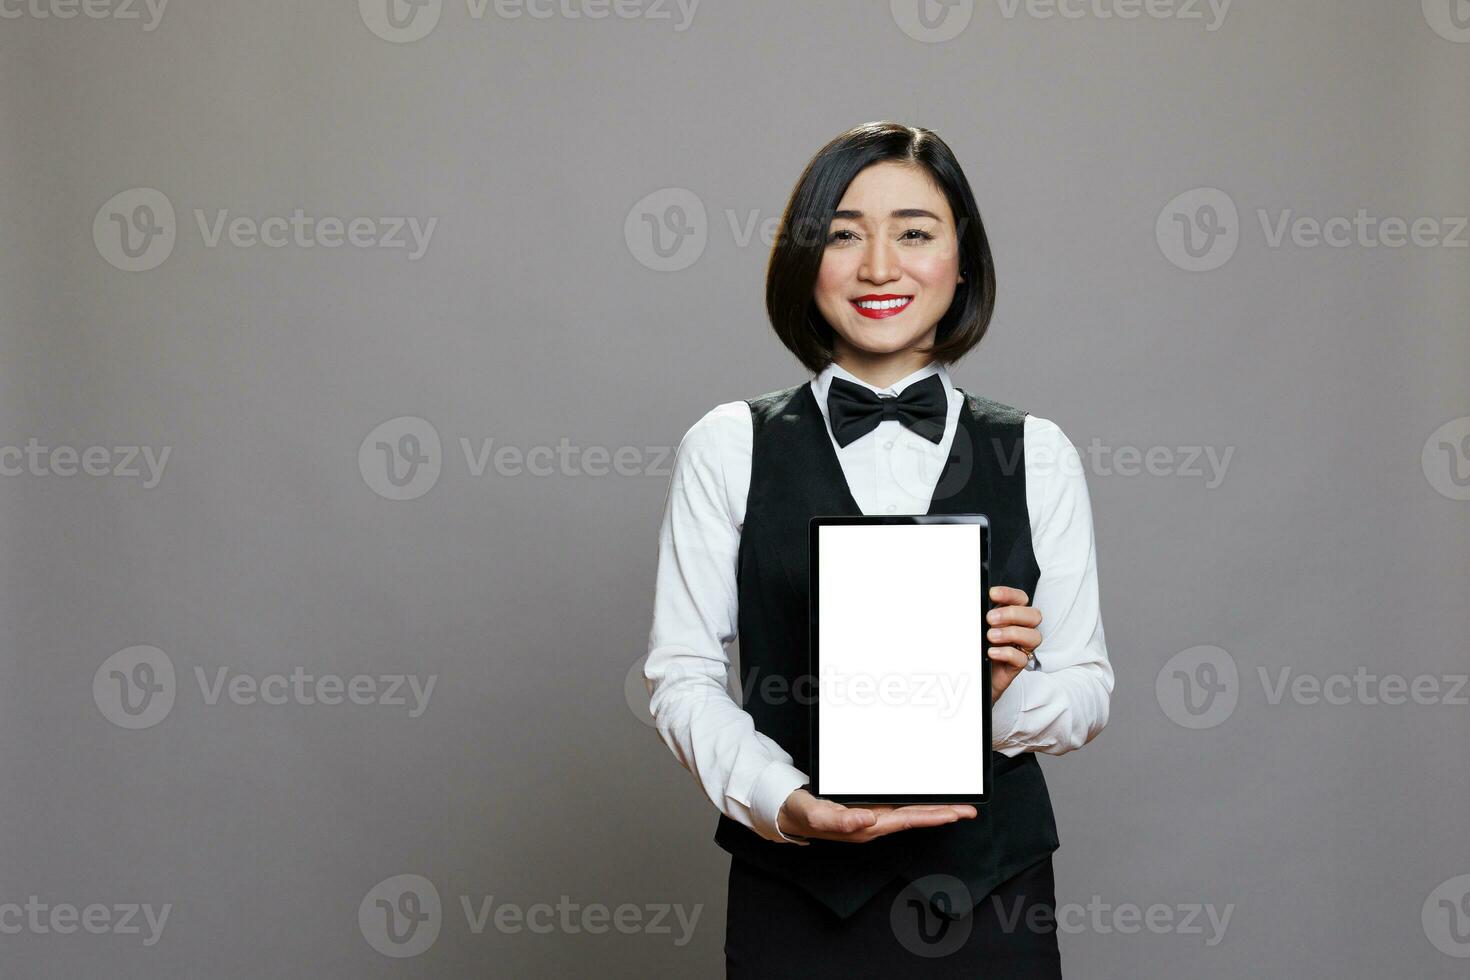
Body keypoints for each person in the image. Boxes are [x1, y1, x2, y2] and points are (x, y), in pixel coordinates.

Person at [644, 121, 1113, 977]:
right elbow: (681, 676)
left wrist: (984, 700)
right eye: (844, 233)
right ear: (803, 259)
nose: (879, 267)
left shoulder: (1036, 451)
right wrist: (781, 803)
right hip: (796, 895)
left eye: (915, 233)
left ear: (962, 258)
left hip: (990, 897)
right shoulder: (727, 444)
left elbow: (1085, 689)